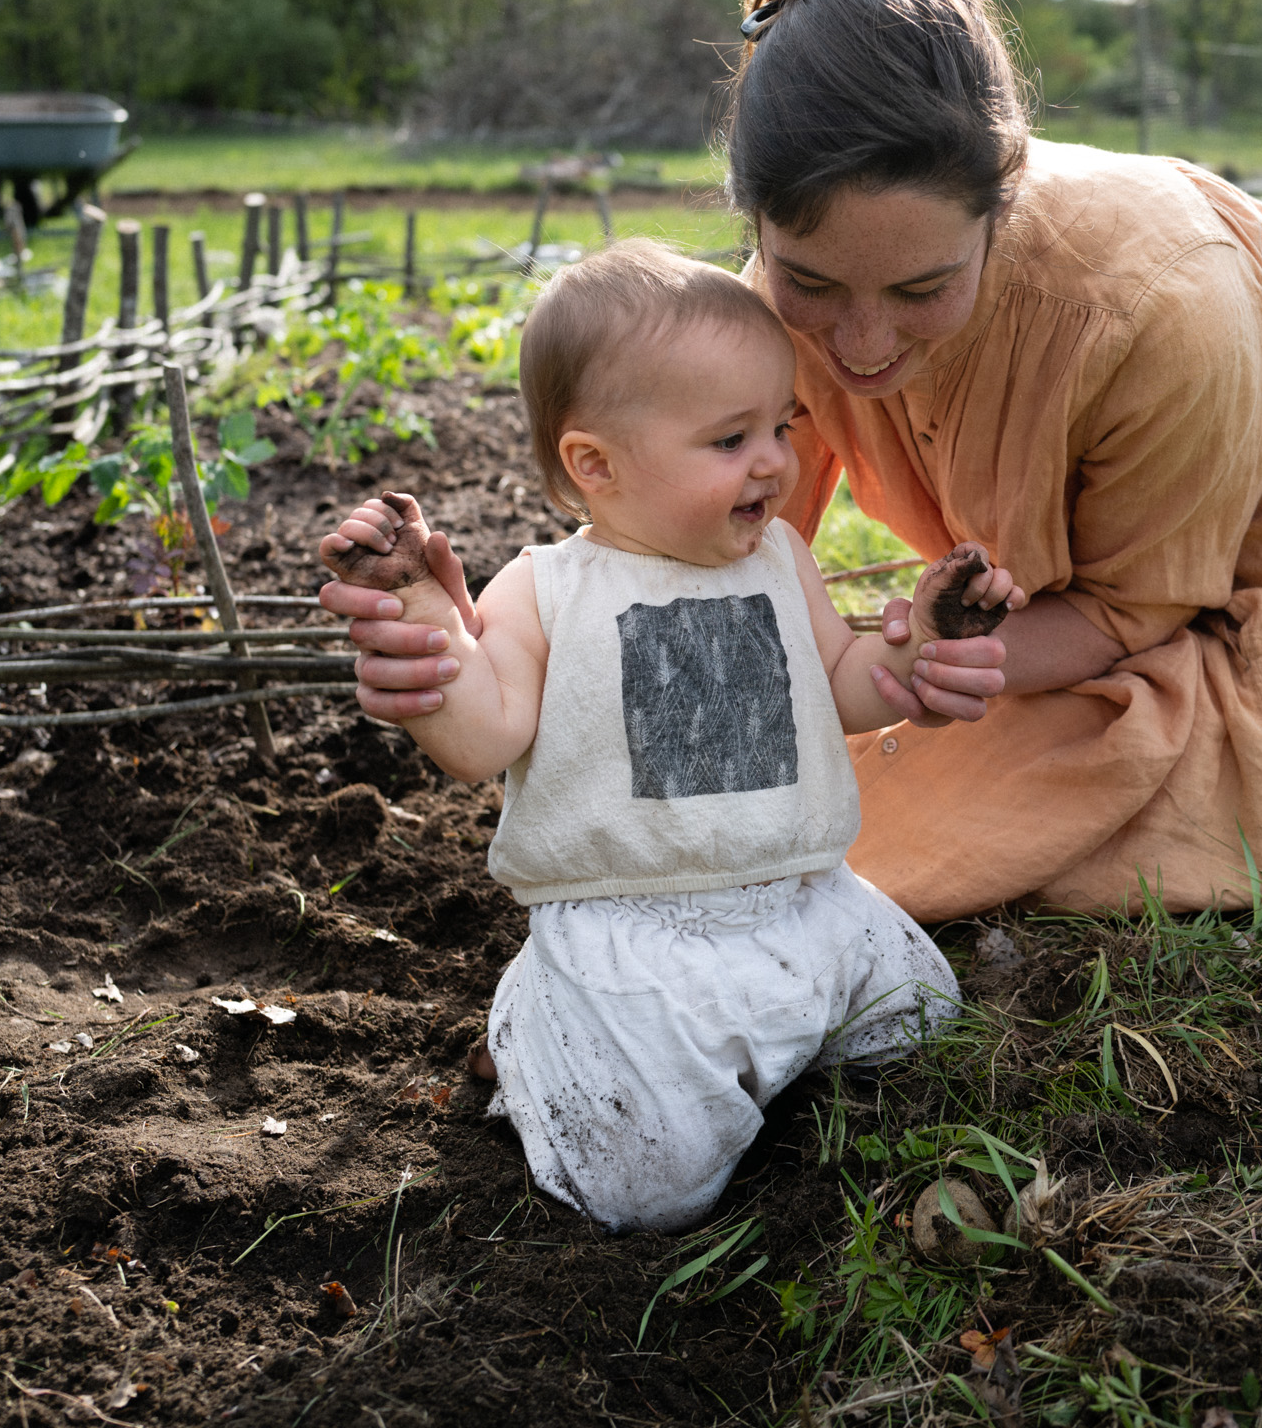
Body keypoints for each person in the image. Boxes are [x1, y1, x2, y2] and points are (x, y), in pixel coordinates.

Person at [331, 0, 1262, 927]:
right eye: (808, 281)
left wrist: (924, 666)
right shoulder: (765, 312)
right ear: (754, 223)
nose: (860, 345)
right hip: (1069, 649)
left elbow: (1134, 614)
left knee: (826, 831)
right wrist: (494, 648)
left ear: (1002, 205)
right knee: (755, 792)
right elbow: (710, 556)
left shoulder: (1163, 299)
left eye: (922, 288)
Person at [317, 240, 1020, 1231]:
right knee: (649, 1186)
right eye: (732, 438)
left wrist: (920, 660)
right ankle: (546, 1033)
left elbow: (837, 681)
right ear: (594, 463)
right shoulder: (547, 592)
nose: (776, 459)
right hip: (639, 937)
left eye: (782, 423)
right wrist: (430, 630)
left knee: (920, 1022)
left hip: (809, 896)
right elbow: (483, 737)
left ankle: (779, 1062)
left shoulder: (779, 558)